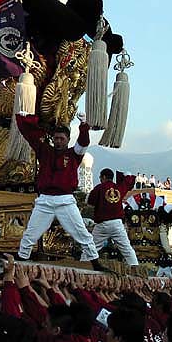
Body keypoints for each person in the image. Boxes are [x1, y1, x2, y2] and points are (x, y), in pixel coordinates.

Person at [15, 111, 105, 271]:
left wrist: (84, 126)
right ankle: (21, 261)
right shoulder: (45, 151)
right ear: (52, 138)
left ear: (68, 140)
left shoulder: (74, 154)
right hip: (44, 201)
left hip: (65, 201)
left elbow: (83, 142)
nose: (58, 141)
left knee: (82, 234)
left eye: (61, 139)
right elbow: (31, 137)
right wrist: (23, 120)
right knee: (30, 234)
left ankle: (96, 263)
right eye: (56, 138)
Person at [87, 169, 139, 266]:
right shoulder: (118, 188)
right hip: (117, 224)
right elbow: (129, 183)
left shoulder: (99, 188)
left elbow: (90, 201)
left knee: (92, 247)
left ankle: (82, 265)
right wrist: (127, 174)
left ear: (103, 177)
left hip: (102, 225)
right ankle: (135, 267)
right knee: (126, 248)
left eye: (100, 177)